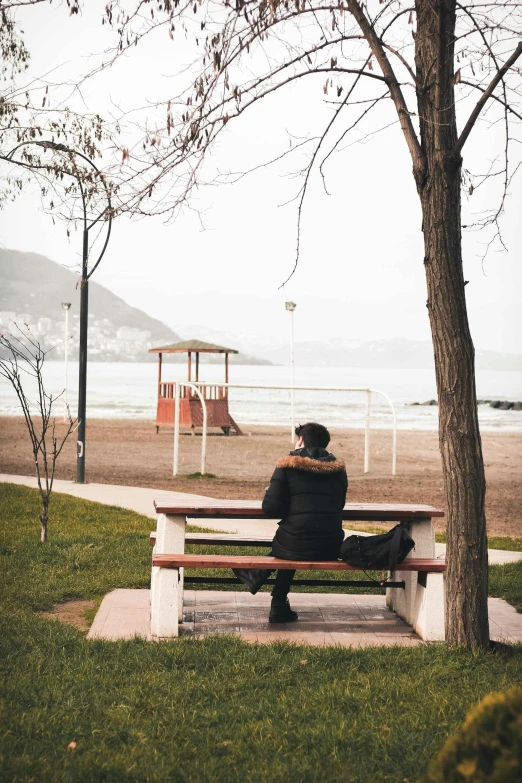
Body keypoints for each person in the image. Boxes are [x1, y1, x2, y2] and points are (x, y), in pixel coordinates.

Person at [233, 422, 348, 623]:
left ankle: (255, 577)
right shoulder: (338, 469)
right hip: (331, 546)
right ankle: (276, 603)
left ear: (301, 441)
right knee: (295, 540)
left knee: (292, 541)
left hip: (294, 542)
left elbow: (271, 509)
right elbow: (340, 504)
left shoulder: (288, 465)